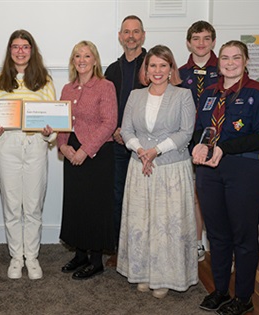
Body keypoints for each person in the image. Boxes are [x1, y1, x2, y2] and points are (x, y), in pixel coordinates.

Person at [192, 40, 259, 315]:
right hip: (209, 172)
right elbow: (200, 130)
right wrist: (196, 145)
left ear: (245, 61)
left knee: (243, 236)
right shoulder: (208, 94)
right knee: (216, 235)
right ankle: (219, 291)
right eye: (226, 58)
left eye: (236, 58)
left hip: (245, 171)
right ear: (219, 62)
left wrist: (224, 148)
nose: (230, 63)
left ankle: (243, 297)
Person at [117, 45, 198, 299]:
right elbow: (126, 129)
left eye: (164, 65)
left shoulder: (183, 95)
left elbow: (186, 132)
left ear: (171, 68)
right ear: (146, 69)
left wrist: (155, 151)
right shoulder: (135, 95)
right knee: (142, 221)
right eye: (153, 65)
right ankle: (142, 273)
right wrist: (141, 150)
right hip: (140, 166)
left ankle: (165, 277)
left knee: (166, 224)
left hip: (170, 169)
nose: (158, 70)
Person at [0, 29, 56, 280]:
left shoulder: (45, 80)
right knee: (11, 206)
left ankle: (32, 257)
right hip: (8, 145)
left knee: (33, 205)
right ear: (10, 51)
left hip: (36, 145)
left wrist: (49, 132)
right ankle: (16, 257)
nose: (20, 51)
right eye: (15, 47)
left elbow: (53, 121)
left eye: (25, 46)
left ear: (32, 50)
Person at [58, 40, 117, 280]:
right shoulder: (67, 88)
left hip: (97, 155)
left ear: (95, 60)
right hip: (72, 153)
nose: (82, 60)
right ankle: (80, 255)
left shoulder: (105, 86)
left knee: (94, 207)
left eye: (87, 56)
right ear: (73, 61)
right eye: (77, 56)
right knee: (76, 204)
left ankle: (95, 261)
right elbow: (63, 121)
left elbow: (109, 123)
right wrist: (63, 145)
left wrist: (85, 150)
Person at [104, 15, 147, 267]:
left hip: (146, 146)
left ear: (143, 35)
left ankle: (144, 249)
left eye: (136, 32)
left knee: (145, 198)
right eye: (126, 32)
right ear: (120, 36)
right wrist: (115, 130)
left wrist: (130, 131)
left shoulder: (153, 65)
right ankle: (122, 249)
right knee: (119, 196)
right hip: (117, 143)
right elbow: (107, 107)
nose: (131, 36)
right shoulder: (112, 69)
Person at [179, 21, 219, 262]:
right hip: (190, 139)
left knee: (216, 194)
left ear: (213, 41)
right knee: (195, 194)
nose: (201, 43)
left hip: (218, 140)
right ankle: (197, 242)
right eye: (196, 38)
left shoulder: (225, 68)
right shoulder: (180, 73)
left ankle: (220, 244)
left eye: (206, 38)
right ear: (188, 42)